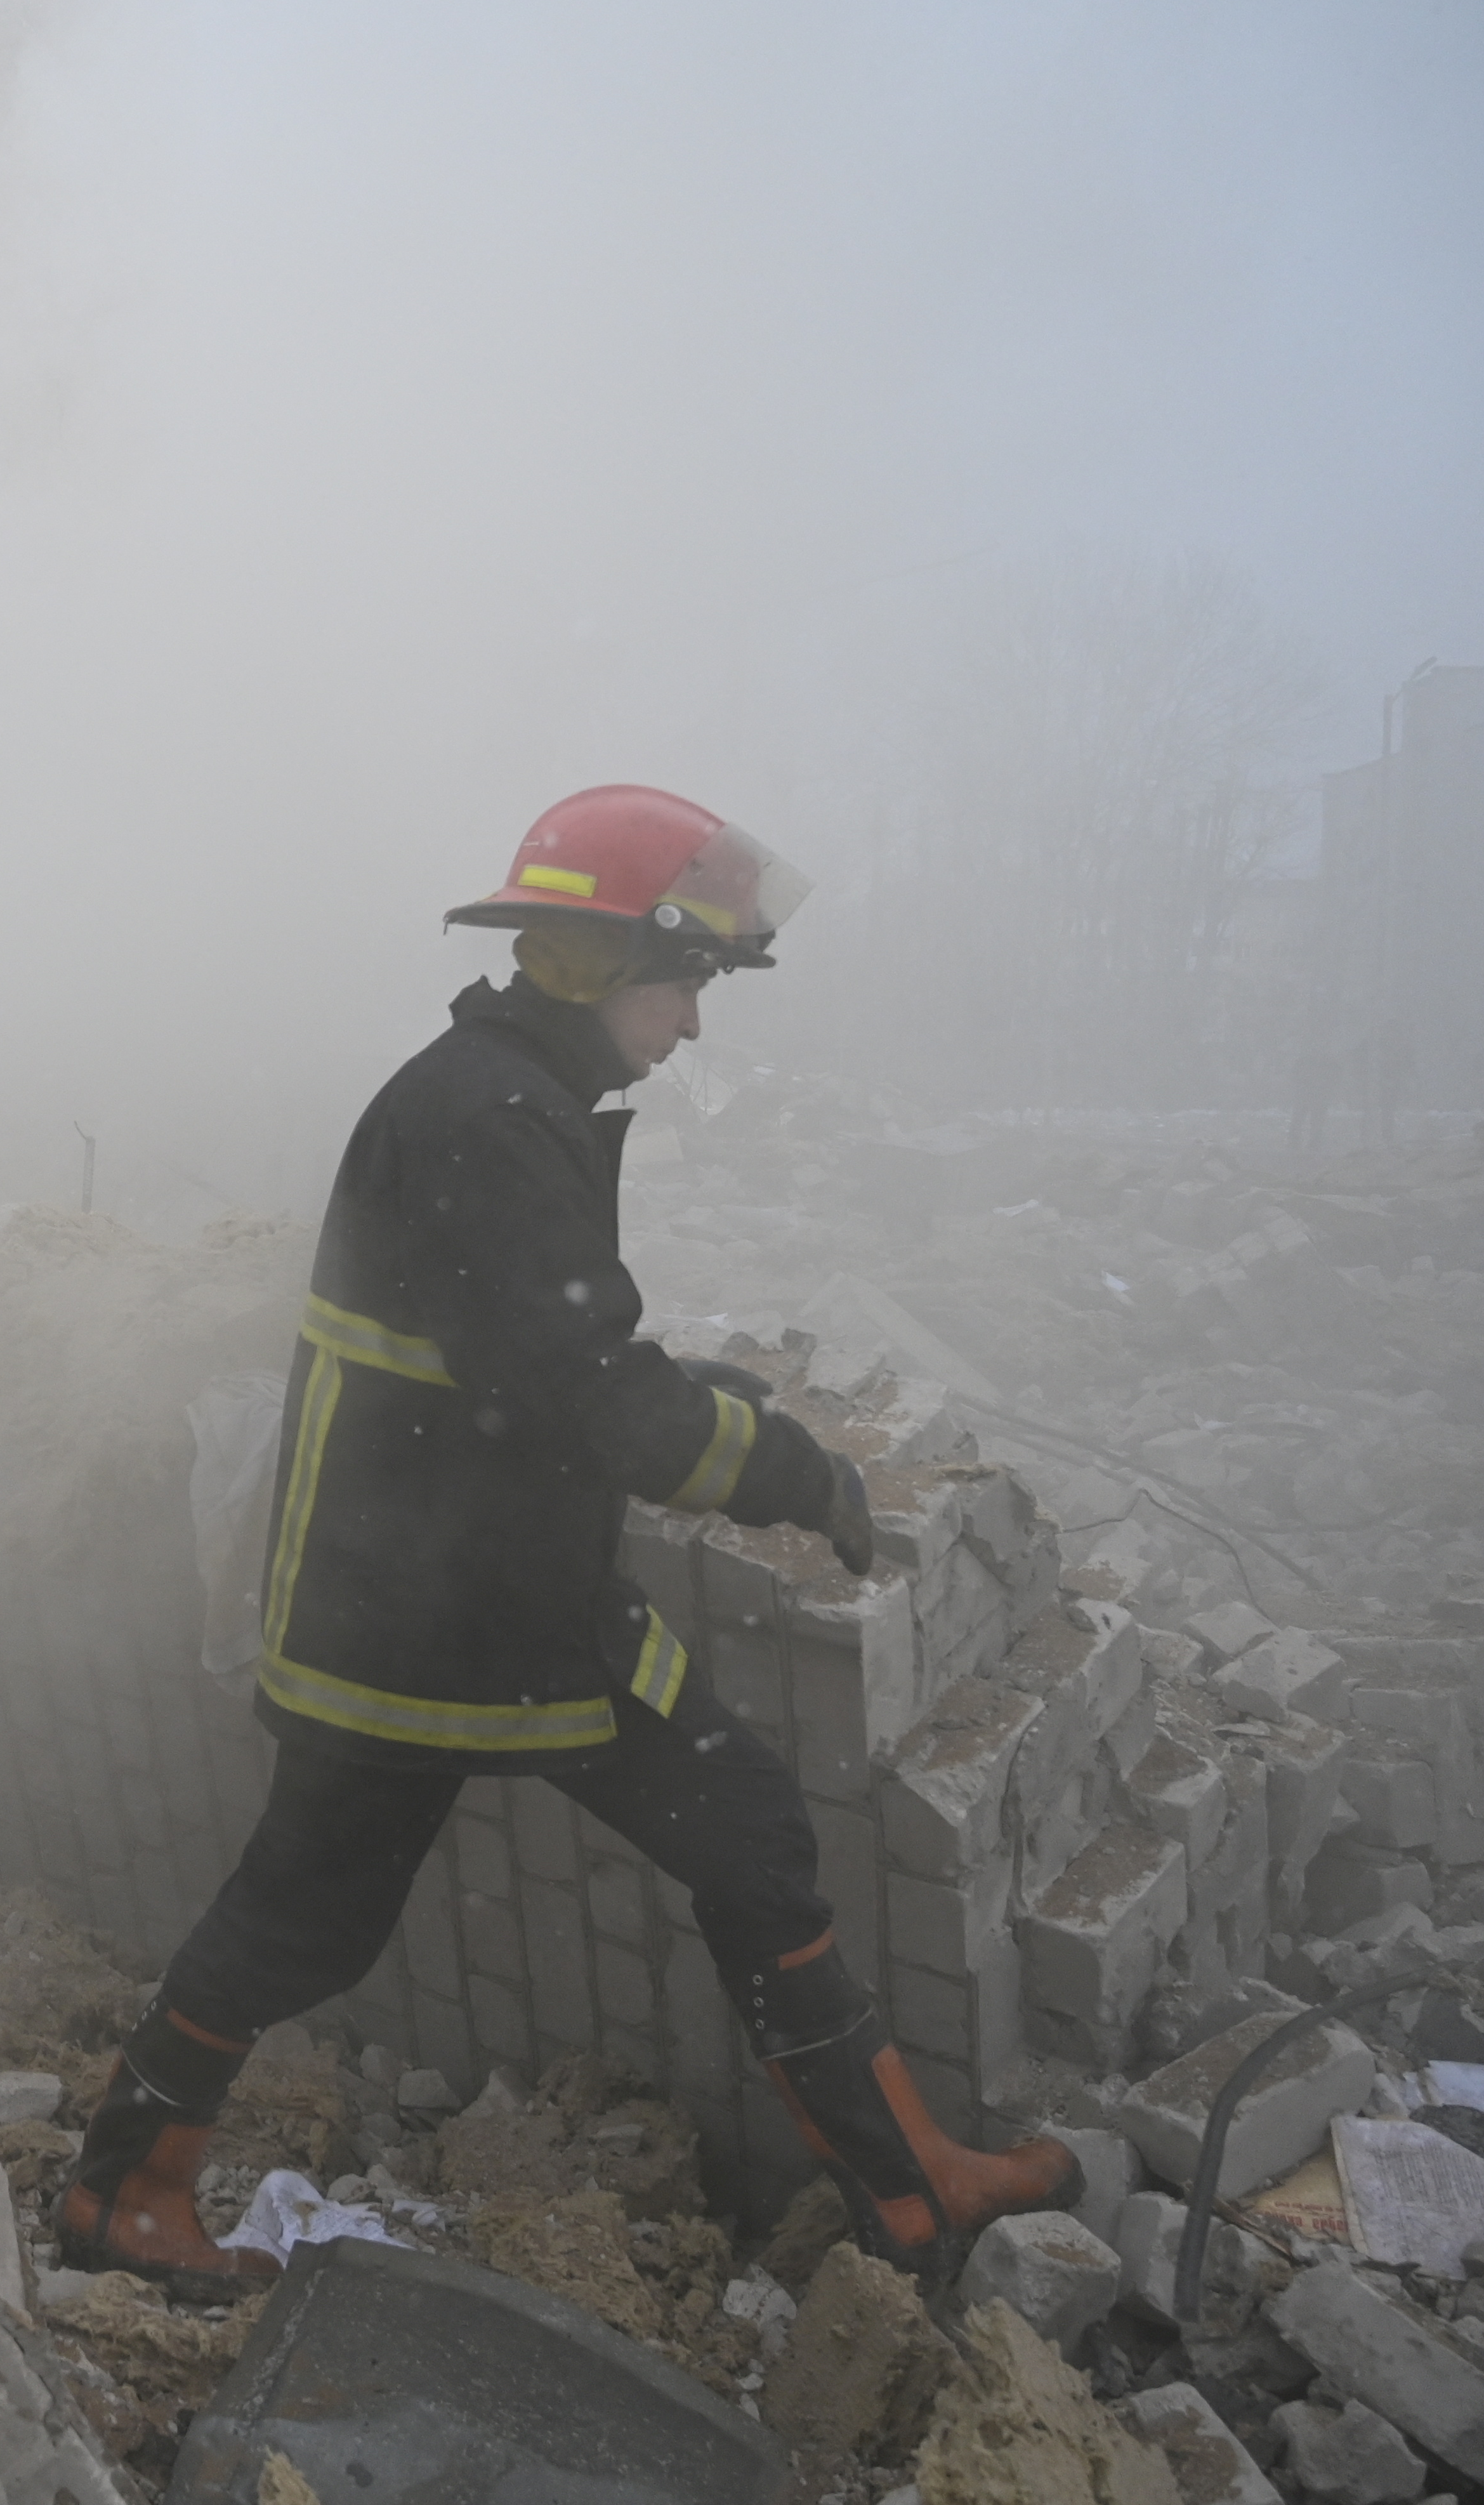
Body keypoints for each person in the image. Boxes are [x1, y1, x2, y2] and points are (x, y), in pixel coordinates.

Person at [53, 784, 1079, 2296]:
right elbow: (599, 1402)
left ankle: (913, 2183)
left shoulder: (493, 1095)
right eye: (688, 983)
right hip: (433, 1619)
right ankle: (122, 2198)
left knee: (688, 1848)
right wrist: (792, 1466)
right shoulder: (490, 1119)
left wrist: (684, 1391)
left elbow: (539, 1357)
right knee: (335, 1916)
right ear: (603, 962)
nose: (696, 1023)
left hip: (465, 1598)